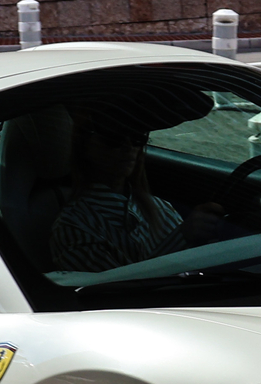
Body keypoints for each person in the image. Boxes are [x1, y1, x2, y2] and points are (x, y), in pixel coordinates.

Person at [49, 109, 185, 272]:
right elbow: (120, 292)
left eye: (137, 137)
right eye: (114, 137)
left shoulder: (161, 209)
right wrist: (182, 238)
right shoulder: (74, 228)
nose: (129, 147)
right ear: (84, 145)